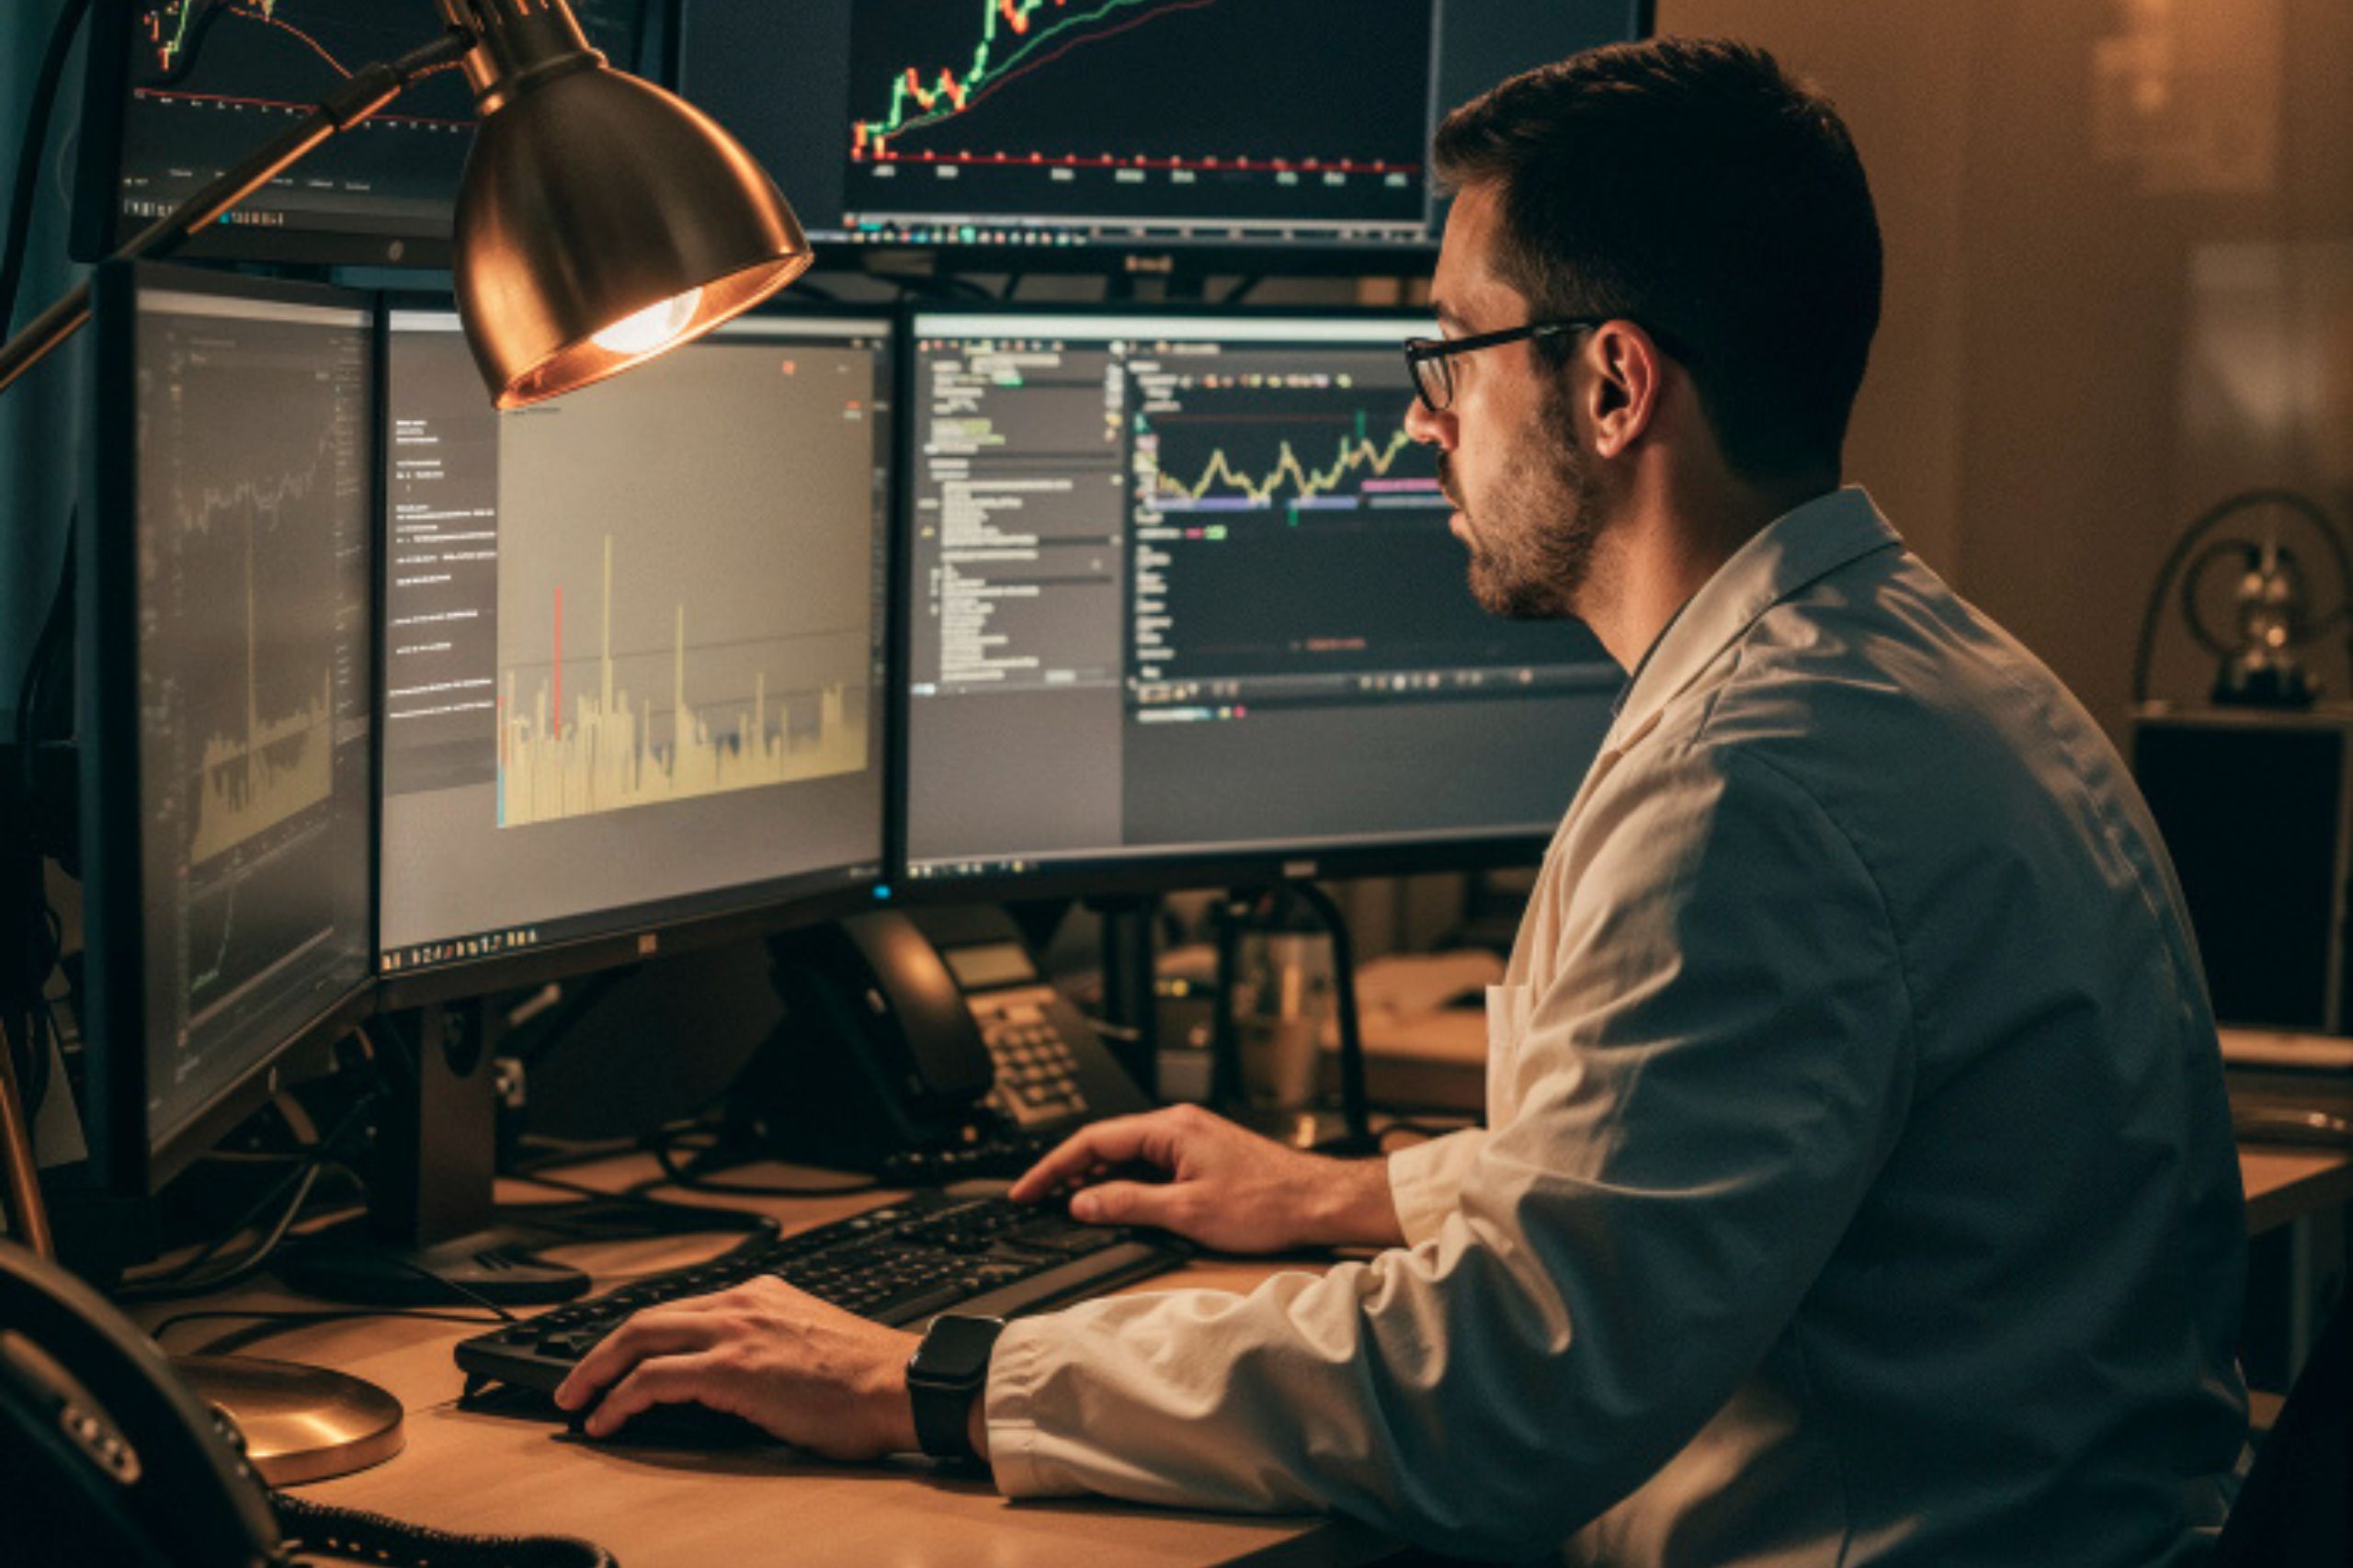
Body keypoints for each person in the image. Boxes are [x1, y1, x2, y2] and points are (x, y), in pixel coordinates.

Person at [557, 38, 2250, 1564]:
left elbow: (1504, 1391)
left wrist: (939, 1375)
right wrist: (1350, 1194)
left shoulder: (1753, 788)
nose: (1422, 419)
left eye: (1454, 346)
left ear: (1612, 384)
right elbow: (1701, 1180)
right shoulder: (1919, 670)